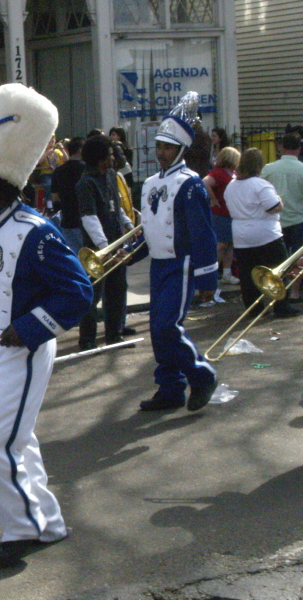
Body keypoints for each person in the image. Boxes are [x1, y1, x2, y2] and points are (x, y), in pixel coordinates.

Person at [0, 83, 92, 568]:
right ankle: (47, 523)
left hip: (26, 348)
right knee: (15, 439)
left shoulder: (38, 233)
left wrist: (30, 328)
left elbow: (78, 292)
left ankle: (23, 527)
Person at [134, 92, 219, 412]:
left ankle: (202, 375)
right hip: (158, 263)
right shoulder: (151, 182)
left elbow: (202, 231)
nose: (161, 153)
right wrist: (128, 255)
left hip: (180, 263)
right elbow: (149, 228)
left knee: (167, 327)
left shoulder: (190, 183)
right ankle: (170, 388)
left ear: (181, 149)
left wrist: (207, 274)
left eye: (167, 147)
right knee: (159, 330)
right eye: (158, 146)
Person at [224, 148, 300, 319]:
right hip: (266, 234)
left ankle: (253, 308)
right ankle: (282, 306)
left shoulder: (232, 185)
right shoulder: (260, 184)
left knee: (247, 273)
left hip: (241, 235)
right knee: (279, 270)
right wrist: (280, 201)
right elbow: (273, 207)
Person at [76, 134, 133, 349]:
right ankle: (87, 339)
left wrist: (127, 224)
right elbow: (89, 218)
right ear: (99, 159)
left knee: (117, 290)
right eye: (109, 155)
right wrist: (104, 248)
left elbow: (115, 206)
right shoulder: (85, 183)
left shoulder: (110, 174)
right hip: (97, 248)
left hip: (115, 242)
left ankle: (114, 333)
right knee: (92, 296)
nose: (112, 158)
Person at [260, 132, 303, 302]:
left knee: (277, 258)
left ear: (281, 147)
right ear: (299, 148)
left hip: (275, 221)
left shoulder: (268, 169)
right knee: (298, 259)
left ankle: (277, 289)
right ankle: (295, 291)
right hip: (299, 219)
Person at [203, 146, 241, 289]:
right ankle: (211, 273)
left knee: (229, 244)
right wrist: (212, 199)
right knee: (221, 245)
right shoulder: (218, 173)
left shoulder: (232, 173)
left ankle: (226, 273)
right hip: (220, 214)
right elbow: (205, 182)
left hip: (230, 213)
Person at [50, 136, 86, 254]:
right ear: (81, 150)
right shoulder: (86, 170)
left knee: (74, 257)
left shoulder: (58, 171)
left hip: (66, 221)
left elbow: (55, 198)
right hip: (83, 221)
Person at [184, 113, 212, 177]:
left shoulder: (202, 135)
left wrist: (187, 150)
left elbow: (205, 153)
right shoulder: (189, 134)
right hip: (188, 170)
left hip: (199, 170)